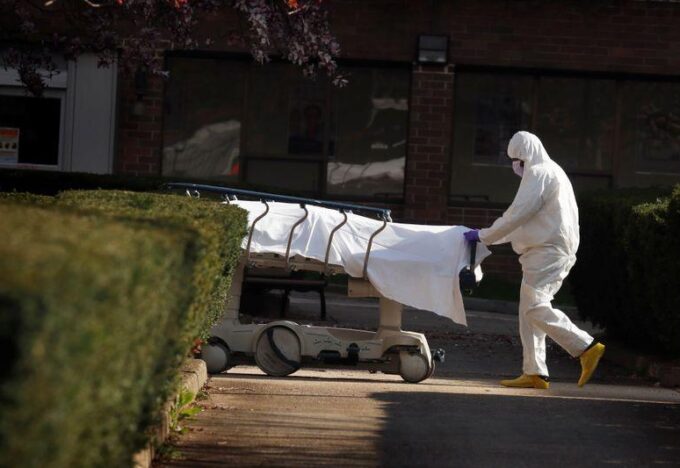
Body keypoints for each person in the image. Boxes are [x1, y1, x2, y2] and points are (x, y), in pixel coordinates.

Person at [463, 131, 605, 389]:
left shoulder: (539, 173)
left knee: (534, 307)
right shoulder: (552, 172)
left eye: (518, 160)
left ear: (526, 156)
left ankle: (585, 346)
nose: (516, 166)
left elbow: (517, 215)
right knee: (528, 312)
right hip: (547, 249)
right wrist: (488, 236)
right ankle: (535, 372)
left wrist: (484, 236)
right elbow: (525, 221)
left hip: (547, 251)